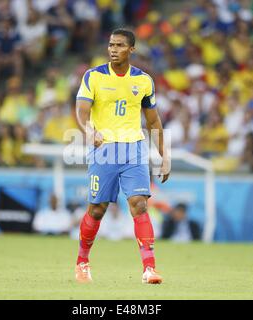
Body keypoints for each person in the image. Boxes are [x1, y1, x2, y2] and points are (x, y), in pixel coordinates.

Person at [75, 28, 170, 284]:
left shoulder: (143, 80)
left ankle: (149, 268)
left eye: (119, 45)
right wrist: (89, 130)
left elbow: (153, 120)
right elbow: (82, 111)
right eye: (110, 45)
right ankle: (82, 262)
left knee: (139, 203)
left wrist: (164, 154)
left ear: (131, 49)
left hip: (134, 148)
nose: (113, 49)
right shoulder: (93, 76)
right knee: (97, 209)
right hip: (103, 149)